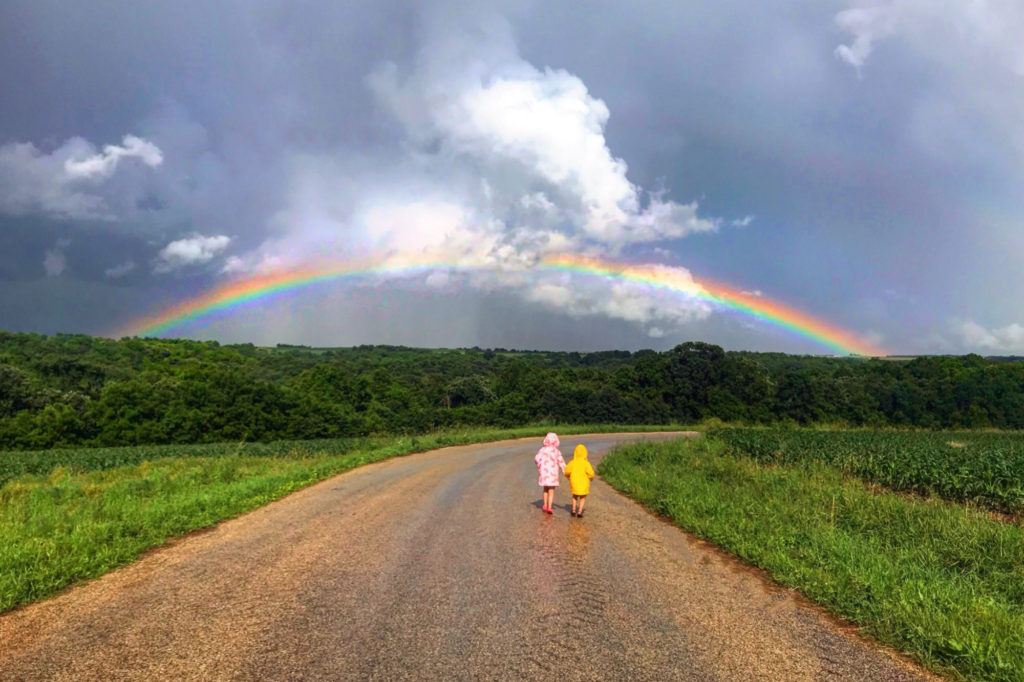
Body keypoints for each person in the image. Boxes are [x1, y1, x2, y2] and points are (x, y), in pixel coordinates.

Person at [534, 432, 565, 514]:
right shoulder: (556, 451)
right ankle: (550, 507)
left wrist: (539, 466)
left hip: (544, 473)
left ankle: (544, 505)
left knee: (545, 489)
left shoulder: (542, 450)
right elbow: (561, 461)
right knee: (551, 490)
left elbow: (536, 458)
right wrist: (565, 471)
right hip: (553, 474)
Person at [563, 443, 595, 518]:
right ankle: (580, 511)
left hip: (574, 482)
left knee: (574, 496)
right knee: (582, 498)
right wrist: (590, 477)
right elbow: (591, 473)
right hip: (584, 483)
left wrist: (568, 477)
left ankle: (573, 510)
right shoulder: (586, 463)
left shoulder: (572, 462)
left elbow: (566, 472)